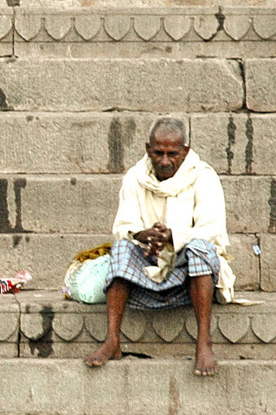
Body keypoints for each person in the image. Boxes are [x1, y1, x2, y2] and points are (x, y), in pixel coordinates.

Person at [84, 116, 236, 377]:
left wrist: (174, 237)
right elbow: (124, 226)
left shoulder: (203, 177)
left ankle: (204, 342)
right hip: (147, 272)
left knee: (199, 249)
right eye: (158, 153)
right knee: (120, 249)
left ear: (185, 152)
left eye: (172, 154)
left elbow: (212, 230)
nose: (164, 161)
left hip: (189, 278)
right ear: (148, 149)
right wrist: (144, 235)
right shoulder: (135, 177)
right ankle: (112, 340)